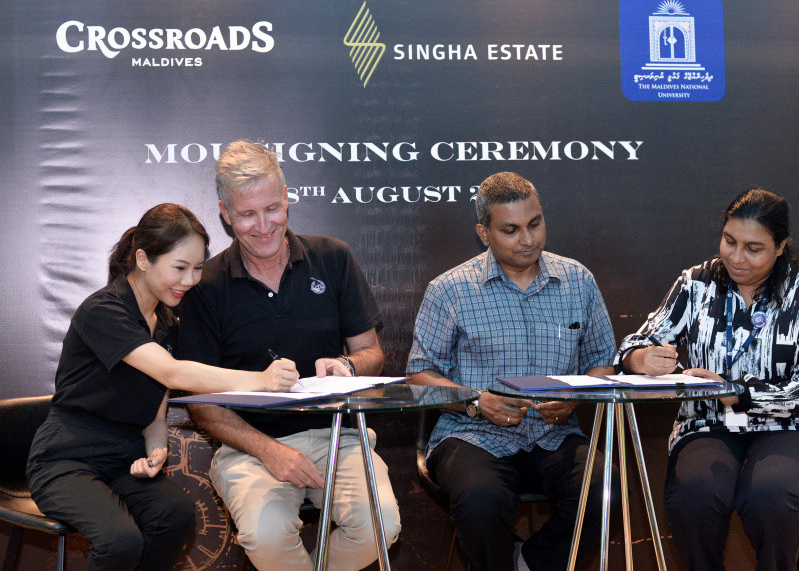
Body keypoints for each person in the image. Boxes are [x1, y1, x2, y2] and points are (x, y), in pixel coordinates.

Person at [26, 203, 299, 571]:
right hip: (66, 459)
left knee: (175, 514)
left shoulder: (167, 323)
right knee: (119, 540)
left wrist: (156, 449)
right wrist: (261, 380)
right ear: (143, 259)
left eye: (198, 268)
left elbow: (155, 414)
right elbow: (171, 373)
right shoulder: (103, 311)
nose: (190, 280)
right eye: (180, 268)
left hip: (124, 461)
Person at [177, 140, 401, 571]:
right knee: (266, 535)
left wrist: (348, 366)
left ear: (286, 198)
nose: (263, 226)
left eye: (272, 209)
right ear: (225, 213)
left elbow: (371, 353)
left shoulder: (333, 257)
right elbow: (202, 403)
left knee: (381, 525)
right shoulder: (206, 286)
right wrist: (269, 452)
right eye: (247, 214)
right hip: (248, 446)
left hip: (339, 437)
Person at [616, 188, 799, 571]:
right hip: (710, 423)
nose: (736, 257)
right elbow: (635, 344)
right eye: (729, 241)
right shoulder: (697, 283)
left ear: (780, 247)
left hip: (797, 427)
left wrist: (737, 392)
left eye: (754, 248)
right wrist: (641, 359)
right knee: (694, 496)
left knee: (770, 493)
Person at [406, 171, 619, 571]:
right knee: (481, 501)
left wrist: (574, 397)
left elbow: (601, 361)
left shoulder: (578, 281)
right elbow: (419, 375)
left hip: (554, 435)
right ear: (484, 233)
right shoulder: (450, 289)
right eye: (511, 230)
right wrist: (476, 402)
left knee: (605, 490)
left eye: (535, 224)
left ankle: (530, 563)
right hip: (472, 435)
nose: (528, 239)